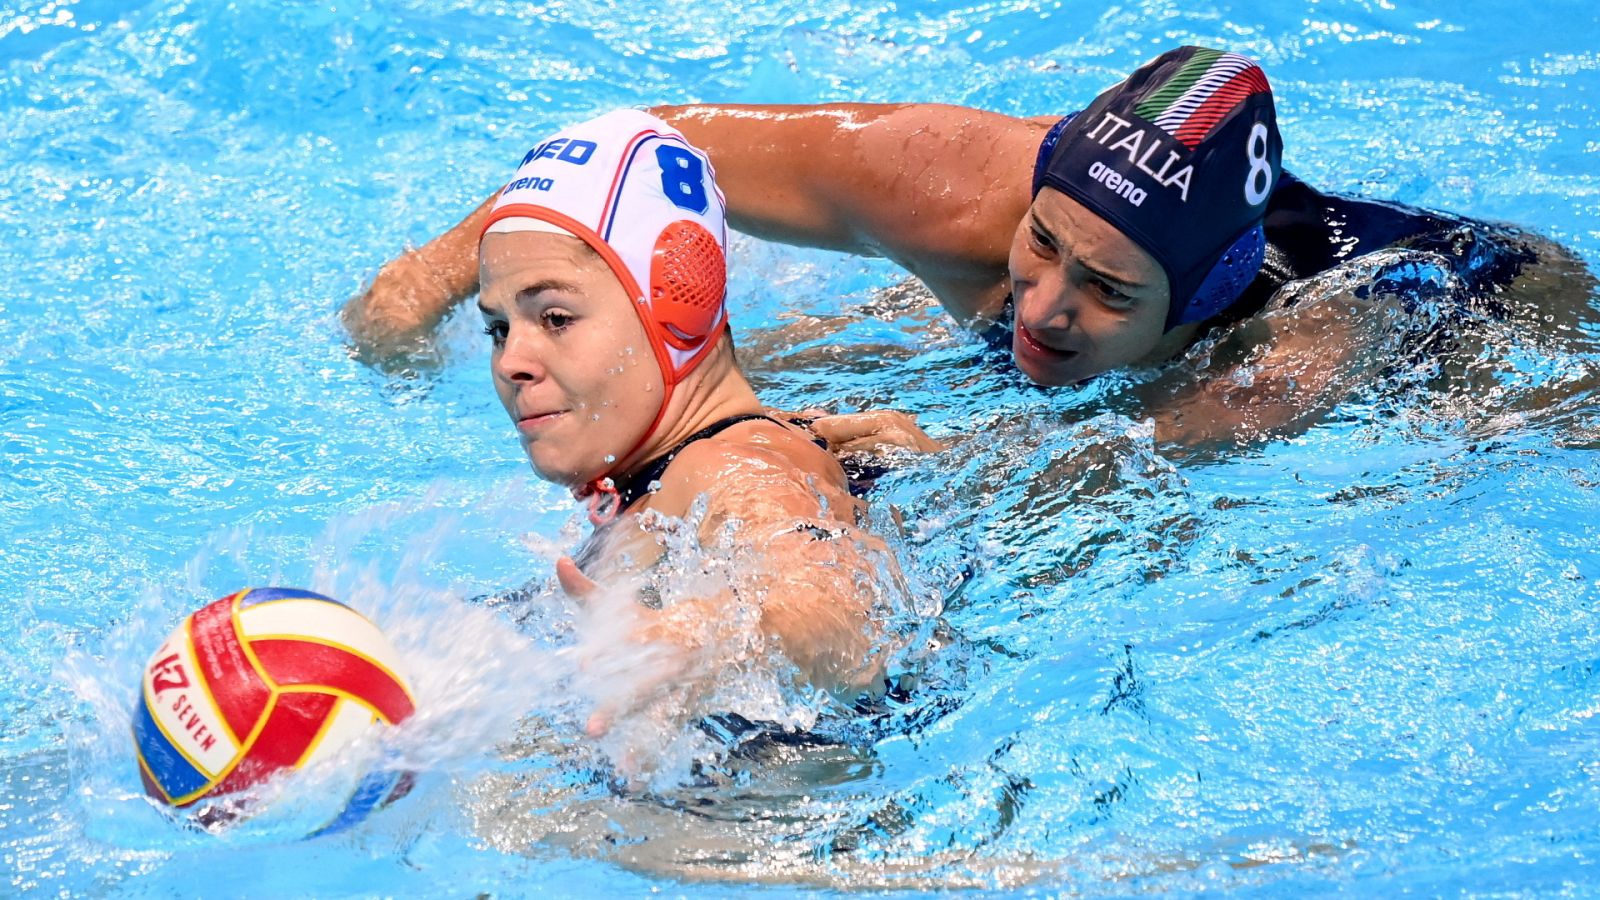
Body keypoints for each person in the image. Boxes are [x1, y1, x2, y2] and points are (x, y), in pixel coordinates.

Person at [345, 45, 1592, 445]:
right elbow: (642, 144)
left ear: (1200, 292)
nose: (1042, 304)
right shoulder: (960, 192)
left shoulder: (1284, 356)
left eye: (1101, 288)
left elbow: (1073, 497)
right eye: (1040, 249)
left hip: (1496, 316)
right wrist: (435, 277)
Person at [473, 109, 911, 749]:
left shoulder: (731, 468)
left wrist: (707, 635)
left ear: (680, 305)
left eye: (556, 317)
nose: (511, 360)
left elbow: (843, 621)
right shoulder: (697, 463)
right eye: (499, 328)